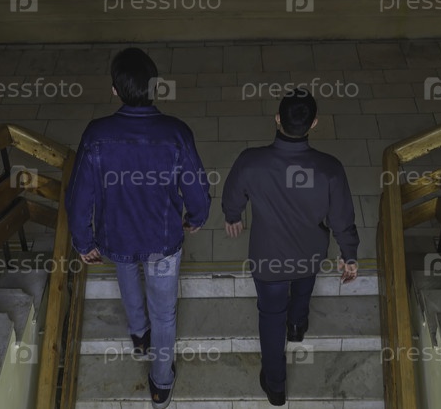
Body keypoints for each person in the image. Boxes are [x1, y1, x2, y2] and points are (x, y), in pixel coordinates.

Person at [66, 47, 211, 409]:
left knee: (127, 274)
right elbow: (196, 187)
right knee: (165, 312)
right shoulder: (176, 133)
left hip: (116, 236)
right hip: (162, 240)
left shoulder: (96, 135)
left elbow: (79, 195)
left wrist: (83, 241)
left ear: (114, 90)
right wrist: (196, 217)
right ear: (155, 87)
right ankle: (161, 384)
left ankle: (138, 335)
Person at [221, 89, 360, 406]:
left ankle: (275, 386)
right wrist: (349, 255)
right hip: (310, 254)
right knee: (302, 288)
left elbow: (232, 196)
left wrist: (233, 216)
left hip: (267, 259)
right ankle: (297, 326)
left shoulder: (251, 161)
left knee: (271, 317)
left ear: (277, 119)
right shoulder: (329, 169)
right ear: (314, 124)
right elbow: (342, 220)